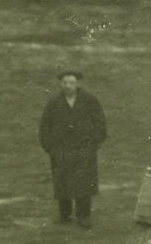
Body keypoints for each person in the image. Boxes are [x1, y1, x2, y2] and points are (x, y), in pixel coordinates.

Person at [38, 70, 107, 227]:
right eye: (65, 83)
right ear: (61, 84)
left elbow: (100, 123)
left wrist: (93, 144)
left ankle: (84, 215)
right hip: (61, 150)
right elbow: (44, 127)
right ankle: (65, 215)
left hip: (84, 149)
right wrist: (50, 147)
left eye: (71, 83)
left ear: (77, 84)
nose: (68, 86)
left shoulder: (89, 100)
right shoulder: (54, 103)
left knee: (83, 182)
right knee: (62, 182)